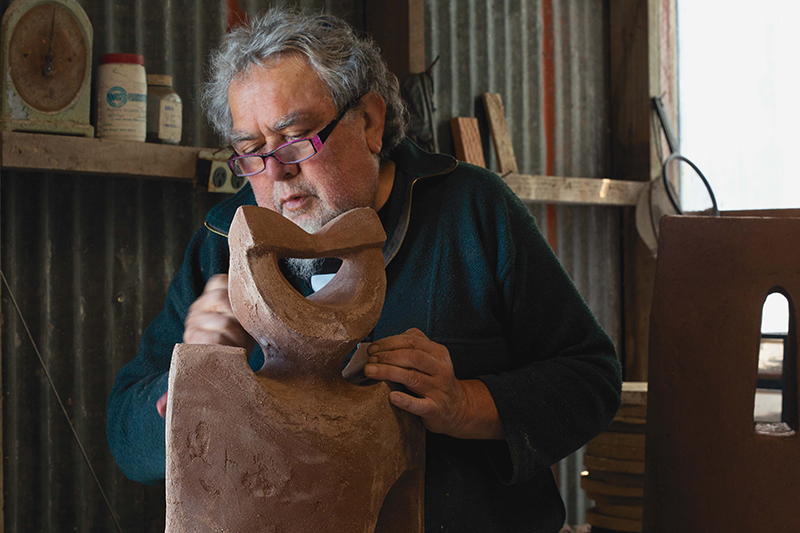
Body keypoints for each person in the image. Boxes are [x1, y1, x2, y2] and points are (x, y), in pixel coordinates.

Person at [107, 7, 621, 532]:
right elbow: (126, 435)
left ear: (370, 122)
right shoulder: (221, 243)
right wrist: (189, 386)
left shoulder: (470, 210)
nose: (278, 173)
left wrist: (466, 402)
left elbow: (592, 379)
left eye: (296, 137)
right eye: (252, 151)